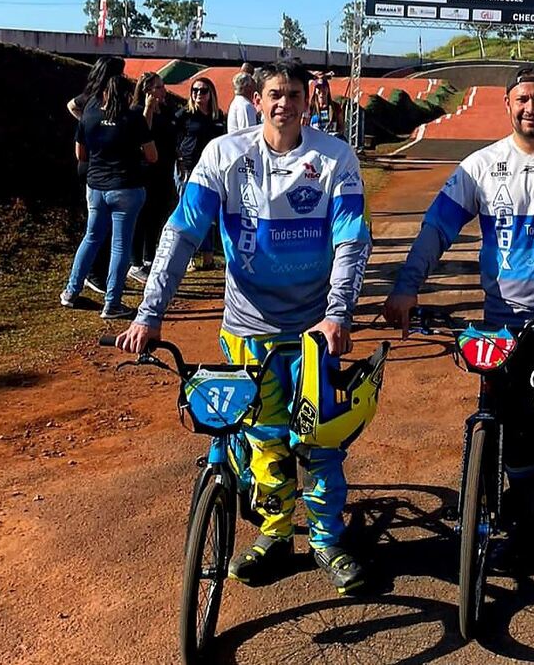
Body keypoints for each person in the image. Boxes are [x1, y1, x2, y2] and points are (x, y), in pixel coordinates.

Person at [114, 60, 372, 591]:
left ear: (308, 101)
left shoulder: (335, 158)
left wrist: (338, 313)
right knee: (266, 441)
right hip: (248, 326)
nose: (285, 104)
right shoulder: (225, 156)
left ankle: (327, 540)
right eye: (276, 94)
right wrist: (149, 314)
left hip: (314, 328)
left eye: (295, 95)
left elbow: (352, 240)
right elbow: (182, 232)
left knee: (318, 441)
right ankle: (275, 535)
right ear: (259, 100)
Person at [383, 64, 534, 601]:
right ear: (507, 105)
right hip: (503, 325)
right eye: (521, 100)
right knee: (514, 432)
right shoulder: (481, 166)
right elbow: (437, 227)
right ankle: (524, 529)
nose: (529, 108)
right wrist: (406, 286)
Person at [61, 74, 158, 318]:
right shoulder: (134, 118)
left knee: (91, 237)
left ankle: (71, 291)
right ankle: (112, 303)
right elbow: (152, 156)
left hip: (96, 186)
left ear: (103, 93)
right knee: (120, 245)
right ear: (126, 95)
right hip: (126, 187)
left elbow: (81, 154)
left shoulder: (90, 115)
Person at [67, 56, 127, 294]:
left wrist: (88, 124)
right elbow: (71, 105)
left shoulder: (90, 98)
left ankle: (88, 276)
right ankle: (96, 274)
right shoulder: (103, 99)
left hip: (91, 165)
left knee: (96, 228)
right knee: (102, 229)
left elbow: (72, 105)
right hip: (100, 168)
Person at [128, 72, 178, 284]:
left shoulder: (166, 110)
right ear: (147, 91)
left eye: (162, 86)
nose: (162, 90)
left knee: (157, 216)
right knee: (142, 217)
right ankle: (135, 263)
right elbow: (142, 135)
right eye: (158, 87)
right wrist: (148, 108)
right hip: (146, 171)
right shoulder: (137, 111)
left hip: (165, 170)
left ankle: (150, 258)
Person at [174, 77, 226, 270]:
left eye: (203, 91)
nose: (198, 94)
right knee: (189, 213)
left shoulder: (217, 116)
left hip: (210, 171)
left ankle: (208, 258)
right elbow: (174, 138)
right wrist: (178, 159)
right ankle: (188, 258)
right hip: (188, 169)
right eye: (194, 91)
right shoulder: (184, 115)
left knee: (208, 214)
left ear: (210, 93)